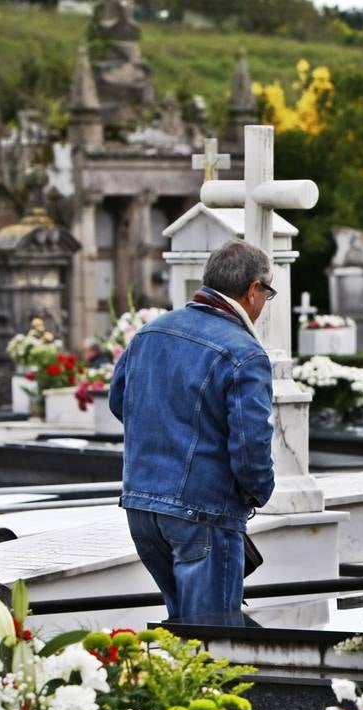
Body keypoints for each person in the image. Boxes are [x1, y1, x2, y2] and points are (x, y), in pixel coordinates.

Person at [109, 239, 276, 625]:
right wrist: (257, 493)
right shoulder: (244, 352)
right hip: (203, 512)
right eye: (267, 292)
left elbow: (121, 403)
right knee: (213, 646)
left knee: (183, 633)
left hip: (141, 506)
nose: (265, 303)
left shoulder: (149, 333)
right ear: (253, 289)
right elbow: (251, 446)